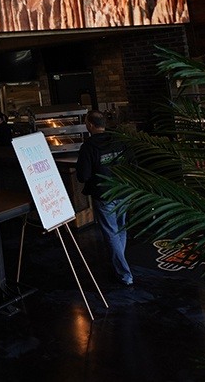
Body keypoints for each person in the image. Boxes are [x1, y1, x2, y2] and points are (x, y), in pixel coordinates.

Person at [75, 110, 133, 286]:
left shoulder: (89, 146)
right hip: (124, 191)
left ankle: (125, 274)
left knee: (111, 233)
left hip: (104, 195)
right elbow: (133, 164)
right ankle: (119, 264)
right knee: (121, 229)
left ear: (91, 125)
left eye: (86, 122)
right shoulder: (120, 140)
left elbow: (83, 176)